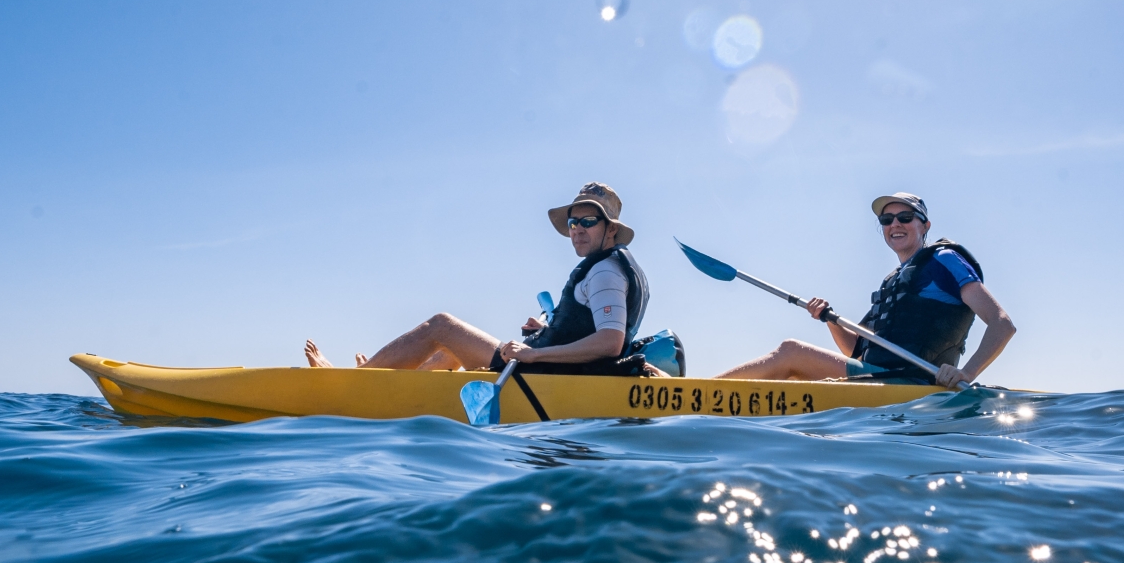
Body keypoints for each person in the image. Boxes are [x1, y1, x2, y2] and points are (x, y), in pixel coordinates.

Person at [304, 182, 662, 376]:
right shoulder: (609, 267)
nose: (578, 231)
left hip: (549, 376)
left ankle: (352, 383)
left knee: (441, 326)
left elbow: (610, 344)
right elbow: (591, 330)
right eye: (573, 222)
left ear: (610, 230)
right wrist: (543, 329)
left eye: (588, 222)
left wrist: (535, 355)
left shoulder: (604, 271)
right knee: (449, 349)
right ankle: (386, 382)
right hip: (554, 369)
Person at [717, 192, 1016, 387]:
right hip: (878, 377)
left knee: (791, 351)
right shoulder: (893, 281)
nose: (894, 224)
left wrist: (968, 373)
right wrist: (828, 319)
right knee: (796, 371)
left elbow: (1002, 324)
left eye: (905, 217)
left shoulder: (944, 260)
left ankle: (698, 391)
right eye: (886, 220)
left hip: (912, 382)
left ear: (924, 225)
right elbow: (856, 352)